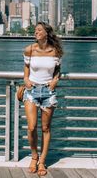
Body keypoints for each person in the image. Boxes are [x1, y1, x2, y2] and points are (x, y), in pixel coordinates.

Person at [23, 21, 63, 176]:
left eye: (39, 30)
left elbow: (57, 70)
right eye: (35, 30)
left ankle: (42, 162)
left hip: (48, 92)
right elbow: (26, 69)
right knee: (32, 127)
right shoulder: (29, 50)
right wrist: (26, 80)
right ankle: (34, 157)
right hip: (31, 91)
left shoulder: (56, 52)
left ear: (47, 33)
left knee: (45, 128)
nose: (36, 32)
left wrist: (55, 81)